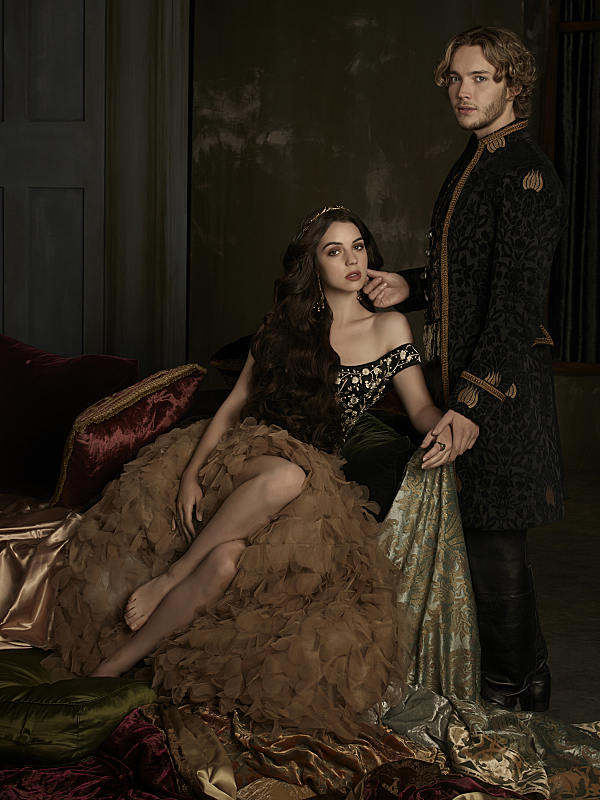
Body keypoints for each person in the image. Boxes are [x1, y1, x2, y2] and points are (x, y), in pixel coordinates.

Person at [47, 206, 453, 742]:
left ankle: (112, 669)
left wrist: (457, 421)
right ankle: (170, 576)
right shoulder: (283, 326)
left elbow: (421, 410)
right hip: (248, 455)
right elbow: (233, 405)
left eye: (358, 246)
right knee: (287, 477)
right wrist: (191, 474)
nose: (351, 260)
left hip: (314, 480)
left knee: (226, 563)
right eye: (334, 251)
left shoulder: (390, 326)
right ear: (314, 264)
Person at [364, 26, 566, 713]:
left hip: (500, 395)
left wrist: (471, 407)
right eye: (455, 78)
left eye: (480, 78)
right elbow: (470, 274)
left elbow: (513, 306)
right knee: (478, 542)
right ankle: (523, 681)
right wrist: (410, 286)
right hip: (464, 385)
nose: (462, 91)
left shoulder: (527, 174)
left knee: (494, 548)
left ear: (514, 84)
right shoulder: (479, 157)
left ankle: (514, 694)